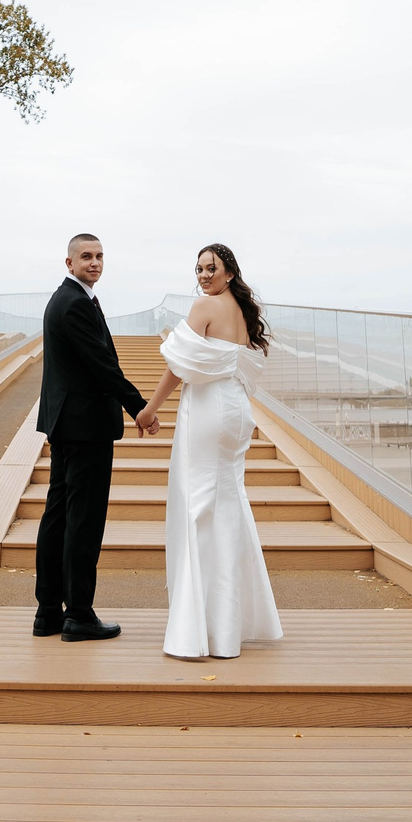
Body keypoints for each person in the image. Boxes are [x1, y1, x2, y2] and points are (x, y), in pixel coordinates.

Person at [147, 242, 282, 660]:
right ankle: (230, 627)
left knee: (197, 505)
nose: (204, 275)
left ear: (229, 273)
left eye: (211, 268)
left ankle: (199, 628)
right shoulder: (241, 312)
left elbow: (177, 366)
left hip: (208, 409)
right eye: (199, 269)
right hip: (237, 410)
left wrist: (150, 409)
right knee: (228, 505)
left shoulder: (205, 307)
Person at [34, 232, 155, 641]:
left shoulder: (69, 299)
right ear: (69, 263)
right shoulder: (74, 303)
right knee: (82, 522)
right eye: (86, 256)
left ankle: (49, 612)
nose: (95, 262)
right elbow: (103, 365)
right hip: (84, 427)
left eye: (100, 256)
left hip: (68, 423)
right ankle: (79, 614)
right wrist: (139, 406)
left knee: (59, 516)